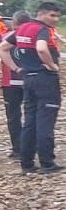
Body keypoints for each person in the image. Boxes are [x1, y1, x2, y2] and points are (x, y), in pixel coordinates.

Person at [3, 2, 64, 173]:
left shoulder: (22, 28)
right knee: (45, 120)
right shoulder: (42, 30)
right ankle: (47, 162)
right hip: (45, 79)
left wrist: (16, 68)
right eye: (52, 15)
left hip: (27, 79)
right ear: (41, 13)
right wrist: (52, 66)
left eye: (58, 16)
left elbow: (4, 48)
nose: (55, 20)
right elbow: (41, 49)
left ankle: (27, 163)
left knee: (30, 121)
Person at [0, 11, 28, 158]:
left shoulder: (4, 37)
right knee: (32, 115)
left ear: (15, 23)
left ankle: (17, 148)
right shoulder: (34, 35)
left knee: (13, 116)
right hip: (30, 80)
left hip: (10, 83)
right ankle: (32, 145)